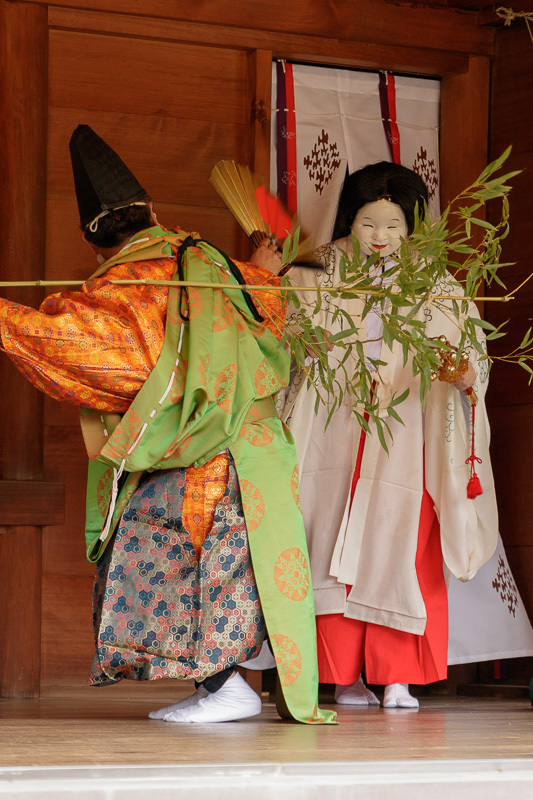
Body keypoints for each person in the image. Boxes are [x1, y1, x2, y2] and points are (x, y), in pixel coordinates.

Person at [0, 125, 336, 726]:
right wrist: (264, 269)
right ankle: (223, 685)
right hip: (255, 445)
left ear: (94, 242)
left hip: (207, 455)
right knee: (224, 560)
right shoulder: (206, 260)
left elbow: (86, 355)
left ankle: (227, 685)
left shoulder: (125, 286)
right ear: (152, 212)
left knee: (164, 552)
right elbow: (263, 319)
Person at [284, 161, 498, 708]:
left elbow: (473, 357)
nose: (380, 238)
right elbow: (279, 333)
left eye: (394, 226)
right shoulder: (313, 271)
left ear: (413, 228)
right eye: (368, 224)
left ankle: (396, 677)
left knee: (398, 546)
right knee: (326, 541)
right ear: (349, 221)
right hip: (333, 427)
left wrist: (460, 372)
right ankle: (340, 676)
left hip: (403, 434)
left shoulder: (435, 285)